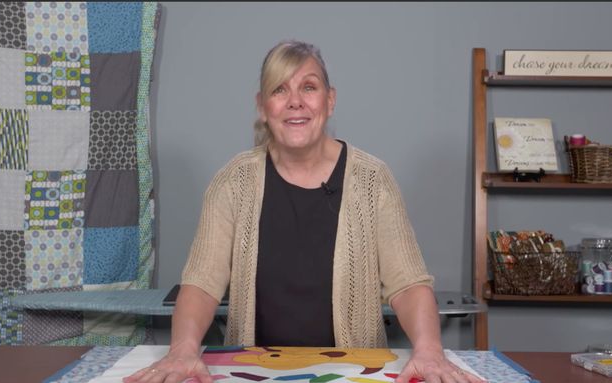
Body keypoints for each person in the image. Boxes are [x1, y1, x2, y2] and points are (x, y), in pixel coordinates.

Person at [125, 40, 484, 383]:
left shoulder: (373, 180)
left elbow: (408, 285)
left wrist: (430, 350)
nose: (295, 102)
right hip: (254, 371)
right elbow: (202, 283)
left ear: (330, 100)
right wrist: (183, 349)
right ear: (263, 106)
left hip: (354, 373)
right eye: (279, 90)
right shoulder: (233, 181)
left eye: (308, 88)